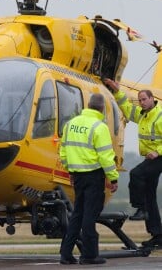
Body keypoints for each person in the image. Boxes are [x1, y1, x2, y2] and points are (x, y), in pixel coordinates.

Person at [59, 93, 119, 265]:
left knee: (77, 214)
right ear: (101, 108)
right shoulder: (99, 127)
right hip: (93, 176)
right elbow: (106, 157)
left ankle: (66, 254)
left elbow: (63, 151)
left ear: (88, 105)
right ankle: (89, 255)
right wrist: (113, 178)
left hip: (77, 175)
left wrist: (70, 170)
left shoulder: (70, 124)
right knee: (89, 215)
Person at [105, 78, 162, 247]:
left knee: (136, 174)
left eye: (145, 99)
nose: (142, 103)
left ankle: (140, 208)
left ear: (152, 99)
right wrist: (116, 91)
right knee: (150, 195)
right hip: (152, 158)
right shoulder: (142, 114)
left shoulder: (159, 116)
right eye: (140, 100)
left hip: (159, 157)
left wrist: (157, 151)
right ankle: (158, 236)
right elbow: (128, 108)